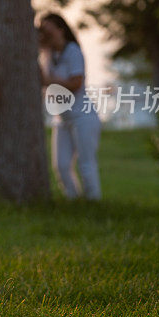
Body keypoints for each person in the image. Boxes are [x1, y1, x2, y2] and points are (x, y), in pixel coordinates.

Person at [38, 13, 102, 200]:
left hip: (82, 115)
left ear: (61, 30)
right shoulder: (48, 55)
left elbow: (76, 83)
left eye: (48, 30)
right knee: (61, 165)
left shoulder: (73, 51)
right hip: (62, 118)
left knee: (86, 163)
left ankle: (93, 200)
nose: (45, 35)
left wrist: (50, 81)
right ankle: (73, 199)